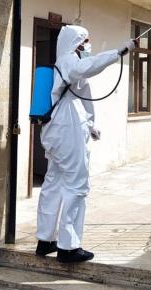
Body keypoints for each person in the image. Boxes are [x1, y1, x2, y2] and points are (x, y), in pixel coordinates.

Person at [35, 25, 136, 263]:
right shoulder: (70, 61)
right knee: (77, 185)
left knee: (53, 184)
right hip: (67, 129)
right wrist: (117, 53)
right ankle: (68, 247)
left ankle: (45, 240)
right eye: (85, 41)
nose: (87, 45)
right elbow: (88, 67)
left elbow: (84, 96)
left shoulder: (64, 65)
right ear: (75, 43)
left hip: (56, 130)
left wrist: (90, 125)